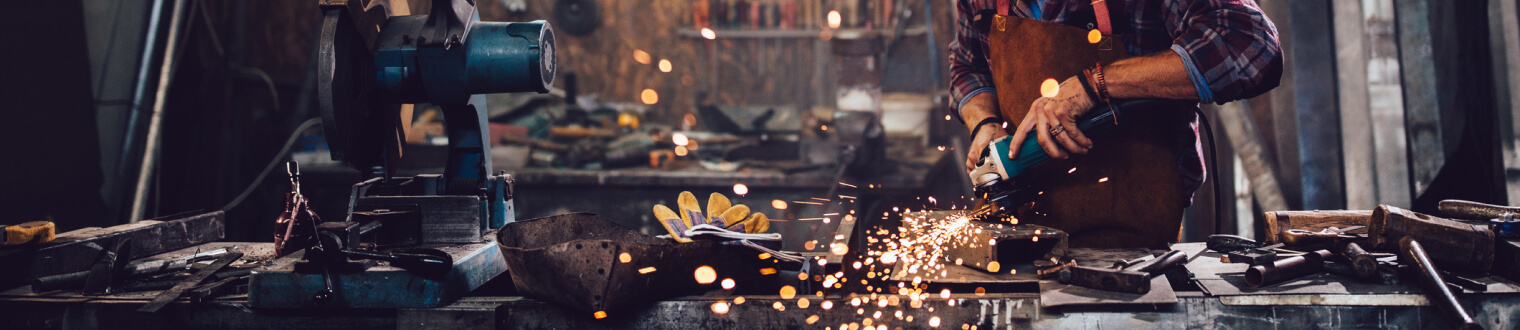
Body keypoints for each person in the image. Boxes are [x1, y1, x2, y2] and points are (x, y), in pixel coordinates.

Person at [949, 0, 1282, 247]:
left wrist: (1095, 86)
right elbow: (968, 65)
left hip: (1132, 227)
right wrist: (985, 123)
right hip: (1019, 231)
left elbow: (1251, 44)